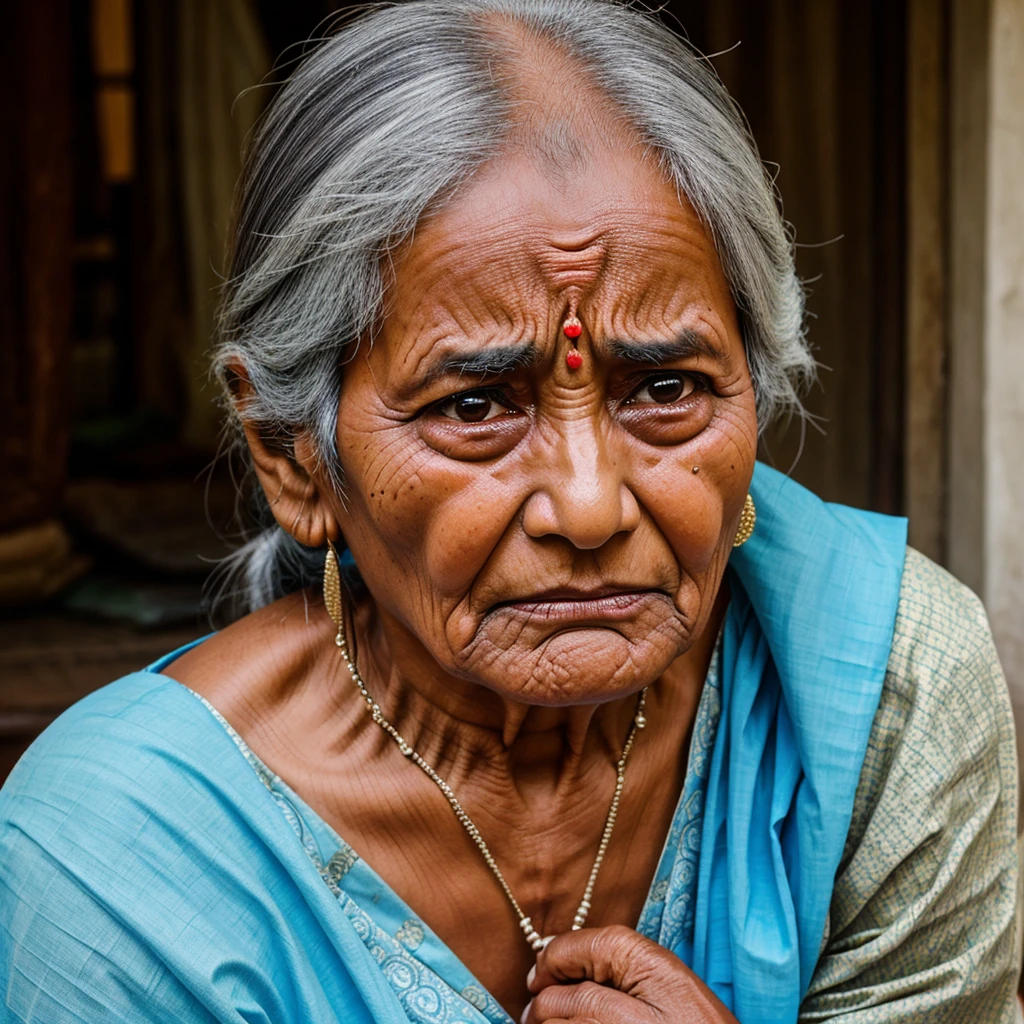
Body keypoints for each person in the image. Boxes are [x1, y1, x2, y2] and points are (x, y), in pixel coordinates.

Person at [0, 1, 1017, 1021]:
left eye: (664, 389)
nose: (588, 505)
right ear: (294, 459)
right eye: (475, 406)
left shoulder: (890, 690)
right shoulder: (114, 870)